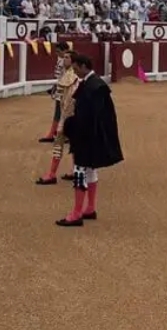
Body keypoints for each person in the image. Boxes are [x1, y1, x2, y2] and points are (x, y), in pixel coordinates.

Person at [57, 54, 124, 227]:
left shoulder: (93, 86)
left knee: (80, 172)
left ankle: (76, 213)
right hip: (90, 136)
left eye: (77, 68)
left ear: (84, 66)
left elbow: (91, 117)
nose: (75, 72)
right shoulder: (94, 84)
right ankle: (90, 208)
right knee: (90, 172)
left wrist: (73, 128)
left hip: (86, 137)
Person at [37, 49, 80, 185]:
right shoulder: (69, 75)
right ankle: (68, 172)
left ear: (73, 62)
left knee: (63, 145)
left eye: (67, 57)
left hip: (69, 115)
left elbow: (67, 99)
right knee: (70, 144)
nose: (64, 59)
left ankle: (54, 174)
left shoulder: (72, 76)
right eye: (64, 57)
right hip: (68, 115)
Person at [39, 42, 71, 143]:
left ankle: (66, 135)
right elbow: (60, 77)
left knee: (66, 113)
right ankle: (53, 134)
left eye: (58, 51)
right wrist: (55, 85)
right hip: (61, 88)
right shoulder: (62, 60)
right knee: (59, 113)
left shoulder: (68, 61)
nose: (57, 53)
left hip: (67, 90)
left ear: (65, 50)